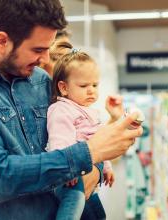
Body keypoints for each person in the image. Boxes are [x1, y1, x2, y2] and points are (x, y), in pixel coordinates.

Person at [0, 0, 142, 219]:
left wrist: (96, 165)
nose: (46, 59)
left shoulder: (40, 80)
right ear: (2, 41)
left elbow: (74, 137)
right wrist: (89, 153)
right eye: (38, 49)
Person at [47, 50, 118, 219]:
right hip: (73, 179)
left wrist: (107, 166)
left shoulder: (92, 112)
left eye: (95, 85)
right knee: (73, 212)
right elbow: (59, 142)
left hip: (89, 179)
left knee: (99, 215)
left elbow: (99, 141)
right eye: (84, 86)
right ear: (63, 87)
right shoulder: (61, 109)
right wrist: (67, 171)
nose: (91, 91)